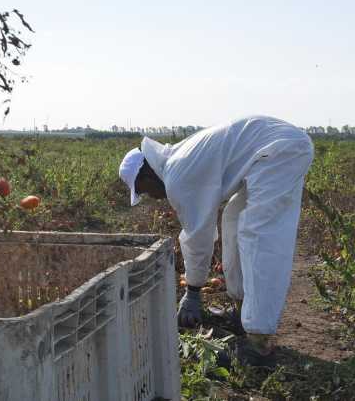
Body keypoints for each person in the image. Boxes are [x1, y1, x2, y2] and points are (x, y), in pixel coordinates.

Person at [117, 115, 314, 366]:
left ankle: (259, 342)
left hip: (280, 150)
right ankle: (242, 311)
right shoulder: (177, 161)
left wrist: (193, 291)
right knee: (234, 220)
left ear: (146, 175)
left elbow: (198, 236)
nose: (153, 197)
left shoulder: (177, 176)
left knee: (258, 236)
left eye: (144, 190)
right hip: (272, 148)